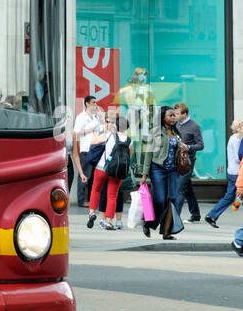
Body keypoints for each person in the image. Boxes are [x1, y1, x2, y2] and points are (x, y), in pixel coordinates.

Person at [141, 106, 183, 239]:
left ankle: (166, 232)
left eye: (174, 115)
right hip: (157, 168)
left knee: (173, 200)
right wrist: (144, 174)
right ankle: (148, 223)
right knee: (160, 200)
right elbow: (148, 153)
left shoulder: (176, 132)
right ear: (163, 117)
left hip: (172, 170)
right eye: (170, 115)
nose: (173, 117)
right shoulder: (155, 132)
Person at [86, 109, 132, 231]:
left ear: (116, 126)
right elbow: (129, 157)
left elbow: (94, 142)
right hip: (117, 171)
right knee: (112, 196)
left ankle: (92, 212)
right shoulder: (129, 141)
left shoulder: (108, 135)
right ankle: (110, 222)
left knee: (95, 190)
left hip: (102, 168)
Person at [205, 119, 243, 228]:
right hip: (236, 172)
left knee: (230, 196)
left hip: (234, 171)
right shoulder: (236, 139)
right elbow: (238, 157)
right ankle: (212, 215)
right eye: (241, 126)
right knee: (230, 196)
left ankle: (212, 215)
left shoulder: (236, 138)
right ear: (237, 128)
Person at [173, 102, 204, 221]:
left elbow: (201, 145)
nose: (174, 116)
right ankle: (195, 215)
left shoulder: (194, 126)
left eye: (177, 114)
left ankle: (174, 219)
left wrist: (189, 147)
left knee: (179, 188)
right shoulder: (176, 124)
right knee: (187, 188)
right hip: (177, 161)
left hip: (188, 162)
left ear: (184, 114)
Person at [73, 95, 105, 206]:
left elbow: (102, 130)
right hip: (86, 149)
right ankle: (81, 200)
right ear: (87, 104)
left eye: (96, 103)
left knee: (94, 175)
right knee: (84, 174)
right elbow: (77, 132)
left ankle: (92, 199)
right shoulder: (81, 117)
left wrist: (101, 119)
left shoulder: (96, 117)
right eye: (93, 102)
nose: (96, 105)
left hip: (96, 149)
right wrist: (91, 129)